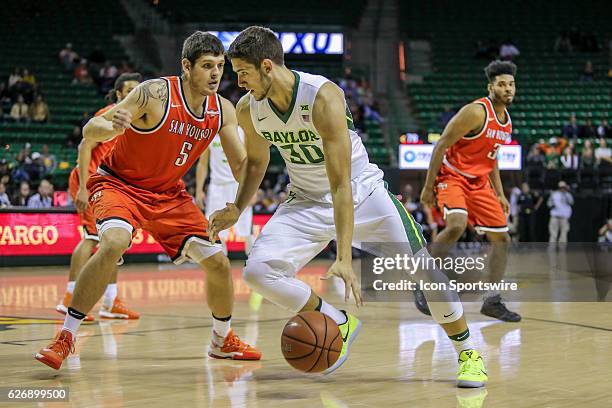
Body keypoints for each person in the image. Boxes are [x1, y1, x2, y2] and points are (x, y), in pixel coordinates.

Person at [210, 26, 487, 387]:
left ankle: (468, 352)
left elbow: (341, 184)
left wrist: (342, 256)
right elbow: (257, 164)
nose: (239, 82)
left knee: (423, 270)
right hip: (306, 201)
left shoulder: (322, 96)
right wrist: (236, 207)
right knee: (258, 273)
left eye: (242, 73)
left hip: (362, 195)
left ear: (266, 66)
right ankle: (337, 320)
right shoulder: (249, 109)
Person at [35, 31, 261, 371]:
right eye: (206, 66)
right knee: (113, 242)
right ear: (186, 66)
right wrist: (111, 125)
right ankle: (66, 336)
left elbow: (242, 163)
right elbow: (91, 130)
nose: (216, 74)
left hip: (169, 194)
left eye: (219, 66)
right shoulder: (155, 93)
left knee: (217, 259)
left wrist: (240, 202)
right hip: (119, 185)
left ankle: (222, 339)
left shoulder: (221, 109)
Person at [415, 60, 521, 322]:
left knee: (502, 240)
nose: (507, 89)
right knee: (456, 225)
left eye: (511, 84)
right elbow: (440, 145)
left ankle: (492, 301)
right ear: (490, 86)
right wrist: (428, 187)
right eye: (501, 84)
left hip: (479, 182)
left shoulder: (506, 121)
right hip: (452, 177)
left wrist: (499, 192)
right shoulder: (475, 112)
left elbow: (491, 157)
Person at [56, 73, 143, 323]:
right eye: (127, 91)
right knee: (92, 237)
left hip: (111, 186)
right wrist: (83, 187)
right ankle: (70, 298)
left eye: (136, 91)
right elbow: (85, 146)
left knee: (113, 242)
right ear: (118, 95)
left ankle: (110, 302)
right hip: (90, 182)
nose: (131, 95)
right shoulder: (109, 113)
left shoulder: (137, 120)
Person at [196, 127, 255, 255]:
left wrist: (253, 189)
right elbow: (202, 164)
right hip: (217, 187)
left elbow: (251, 161)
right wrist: (199, 190)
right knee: (214, 230)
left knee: (247, 231)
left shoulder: (241, 132)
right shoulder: (209, 133)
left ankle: (253, 265)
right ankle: (220, 267)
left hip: (239, 184)